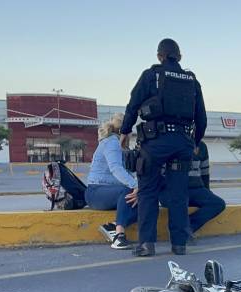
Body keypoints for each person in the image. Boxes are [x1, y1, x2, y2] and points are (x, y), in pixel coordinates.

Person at [120, 38, 207, 256]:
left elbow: (132, 105)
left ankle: (146, 245)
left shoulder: (151, 75)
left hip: (155, 143)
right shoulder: (192, 80)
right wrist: (194, 143)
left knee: (148, 192)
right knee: (179, 194)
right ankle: (179, 245)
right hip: (182, 144)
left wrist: (125, 131)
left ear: (159, 55)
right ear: (180, 57)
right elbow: (202, 118)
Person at [86, 113, 138, 249]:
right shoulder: (111, 142)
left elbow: (124, 173)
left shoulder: (117, 144)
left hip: (107, 193)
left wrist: (139, 187)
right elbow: (115, 169)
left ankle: (112, 226)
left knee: (145, 198)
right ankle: (118, 236)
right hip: (95, 192)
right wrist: (135, 185)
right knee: (128, 191)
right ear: (125, 131)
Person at [160, 141, 226, 240]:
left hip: (196, 189)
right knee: (180, 202)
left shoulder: (201, 146)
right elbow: (159, 173)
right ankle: (180, 230)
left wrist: (207, 192)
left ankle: (189, 226)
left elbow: (205, 172)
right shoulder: (170, 142)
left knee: (218, 204)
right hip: (171, 190)